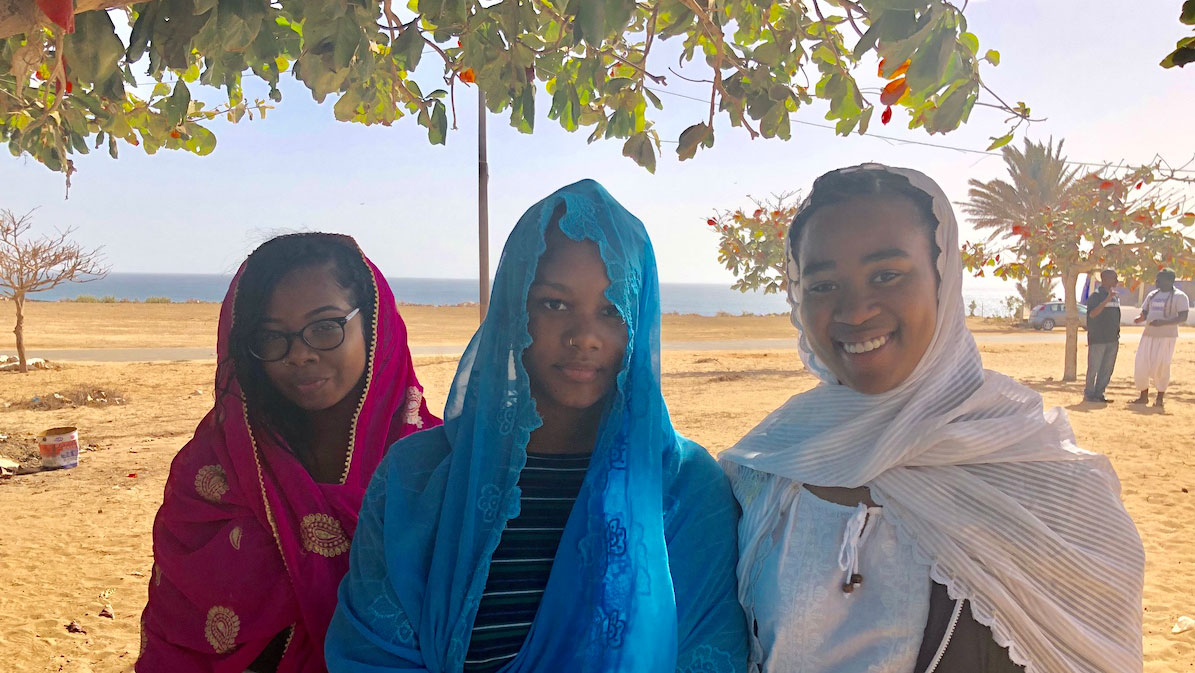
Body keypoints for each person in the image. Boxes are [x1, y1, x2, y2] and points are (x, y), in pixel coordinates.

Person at [720, 164, 1145, 673]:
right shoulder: (765, 472)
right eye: (823, 285)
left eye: (886, 275)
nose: (854, 311)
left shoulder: (1058, 488)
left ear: (944, 281)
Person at [325, 179, 747, 673]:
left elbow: (707, 655)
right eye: (554, 303)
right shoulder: (418, 479)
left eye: (612, 310)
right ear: (513, 307)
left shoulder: (685, 489)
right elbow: (371, 655)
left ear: (638, 320)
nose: (583, 336)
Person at [138, 233, 439, 673]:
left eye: (325, 328)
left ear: (374, 324)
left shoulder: (436, 471)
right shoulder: (209, 475)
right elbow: (176, 645)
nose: (299, 355)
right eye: (272, 337)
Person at [1130, 268, 1189, 409]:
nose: (1156, 282)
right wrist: (1140, 319)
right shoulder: (1152, 295)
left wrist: (1162, 323)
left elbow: (1183, 317)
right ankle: (1143, 396)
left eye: (1159, 279)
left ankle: (1159, 398)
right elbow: (1144, 312)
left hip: (1166, 337)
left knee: (1161, 366)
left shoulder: (1180, 297)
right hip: (1148, 335)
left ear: (1170, 281)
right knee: (1141, 365)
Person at [1083, 269, 1121, 403]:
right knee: (1094, 368)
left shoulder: (1115, 296)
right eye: (1114, 278)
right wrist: (1107, 300)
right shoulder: (1096, 296)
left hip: (1112, 339)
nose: (1116, 281)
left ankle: (1099, 394)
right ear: (1105, 280)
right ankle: (1089, 394)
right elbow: (1092, 314)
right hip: (1098, 339)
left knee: (1106, 369)